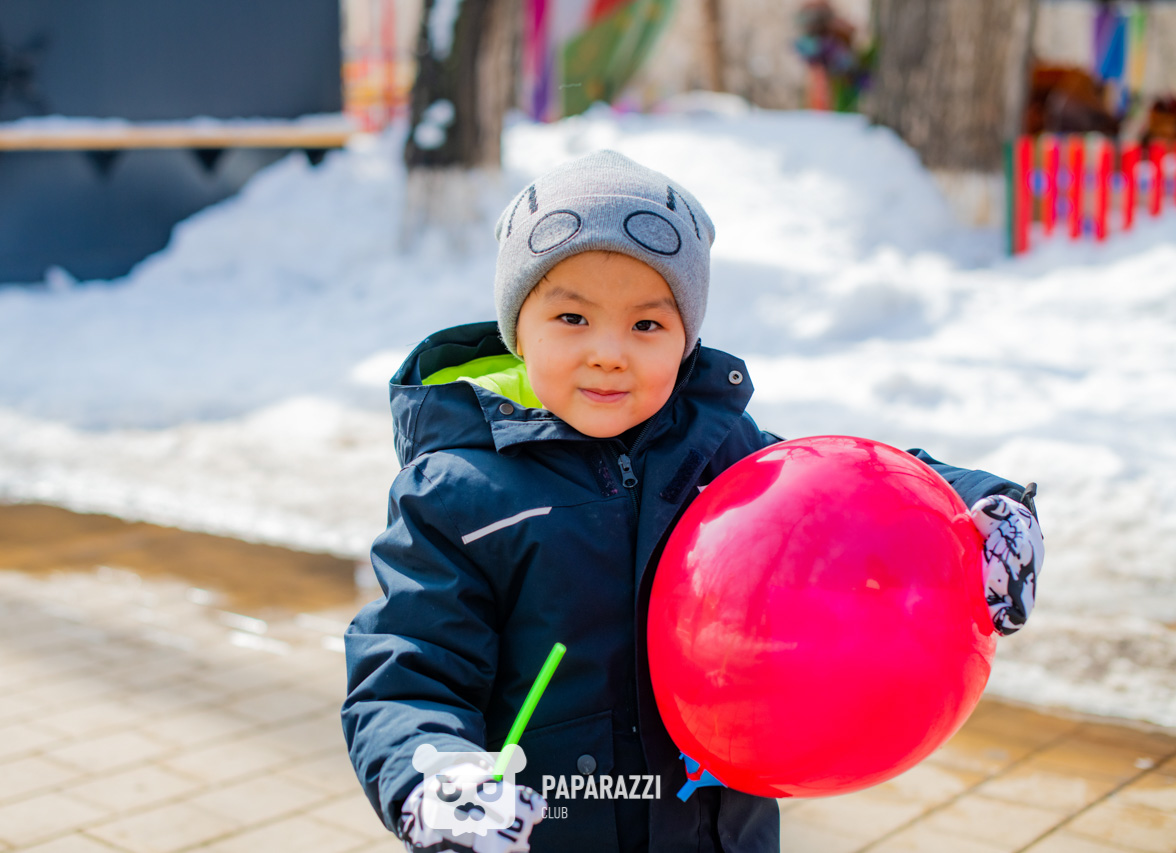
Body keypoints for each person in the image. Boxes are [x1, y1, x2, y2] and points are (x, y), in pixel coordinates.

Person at [342, 151, 1045, 853]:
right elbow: (410, 666)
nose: (609, 352)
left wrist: (976, 513)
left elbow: (852, 488)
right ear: (517, 332)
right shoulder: (460, 494)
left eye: (646, 325)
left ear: (686, 341)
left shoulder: (720, 453)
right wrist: (435, 779)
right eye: (572, 317)